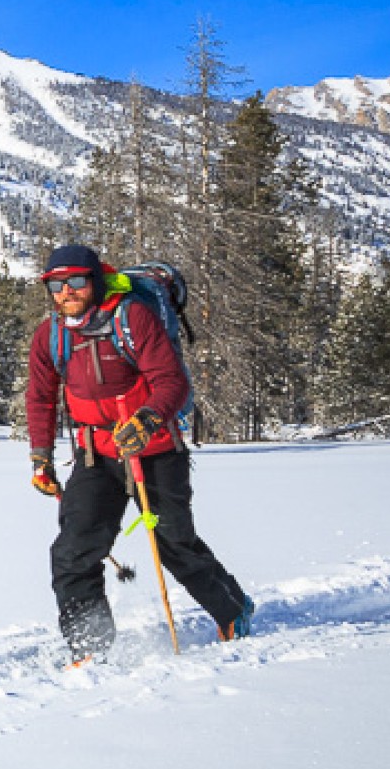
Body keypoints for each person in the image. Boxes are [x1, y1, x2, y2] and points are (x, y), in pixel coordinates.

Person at [26, 243, 254, 663]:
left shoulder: (133, 317)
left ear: (94, 280)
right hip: (95, 455)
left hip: (157, 451)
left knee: (174, 545)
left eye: (76, 281)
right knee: (74, 551)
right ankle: (89, 646)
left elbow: (171, 381)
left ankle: (234, 611)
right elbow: (41, 397)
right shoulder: (51, 335)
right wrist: (41, 456)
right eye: (56, 285)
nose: (66, 292)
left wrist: (147, 420)